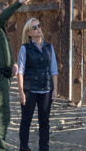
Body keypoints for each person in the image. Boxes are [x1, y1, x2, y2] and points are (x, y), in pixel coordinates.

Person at [0, 0, 35, 151]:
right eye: (5, 12)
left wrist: (12, 62)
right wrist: (18, 4)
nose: (7, 16)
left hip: (4, 75)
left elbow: (3, 50)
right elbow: (1, 19)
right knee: (3, 113)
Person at [17, 18, 58, 151]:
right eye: (34, 27)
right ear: (29, 33)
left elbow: (54, 70)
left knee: (44, 122)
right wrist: (21, 91)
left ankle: (44, 148)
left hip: (46, 89)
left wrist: (55, 89)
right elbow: (20, 71)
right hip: (29, 89)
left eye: (39, 26)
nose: (38, 29)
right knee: (26, 120)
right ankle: (24, 147)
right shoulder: (24, 48)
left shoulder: (49, 47)